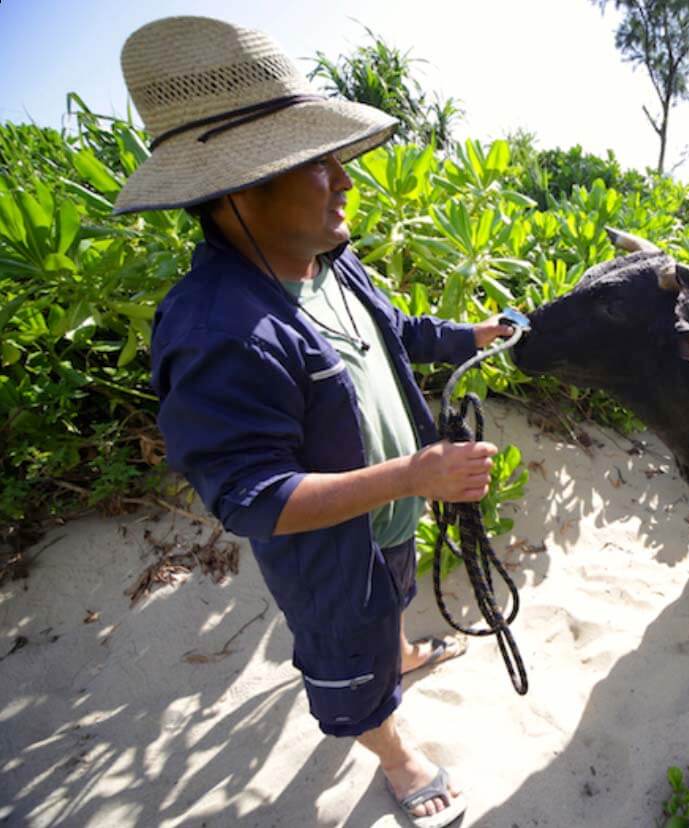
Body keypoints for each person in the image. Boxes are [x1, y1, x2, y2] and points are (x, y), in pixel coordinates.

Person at [113, 17, 510, 827]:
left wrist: (471, 336)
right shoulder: (215, 328)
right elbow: (250, 496)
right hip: (331, 559)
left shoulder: (327, 261)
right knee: (350, 664)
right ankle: (397, 756)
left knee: (390, 602)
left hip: (386, 527)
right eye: (317, 164)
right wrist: (413, 474)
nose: (345, 181)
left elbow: (391, 333)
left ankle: (396, 652)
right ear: (239, 191)